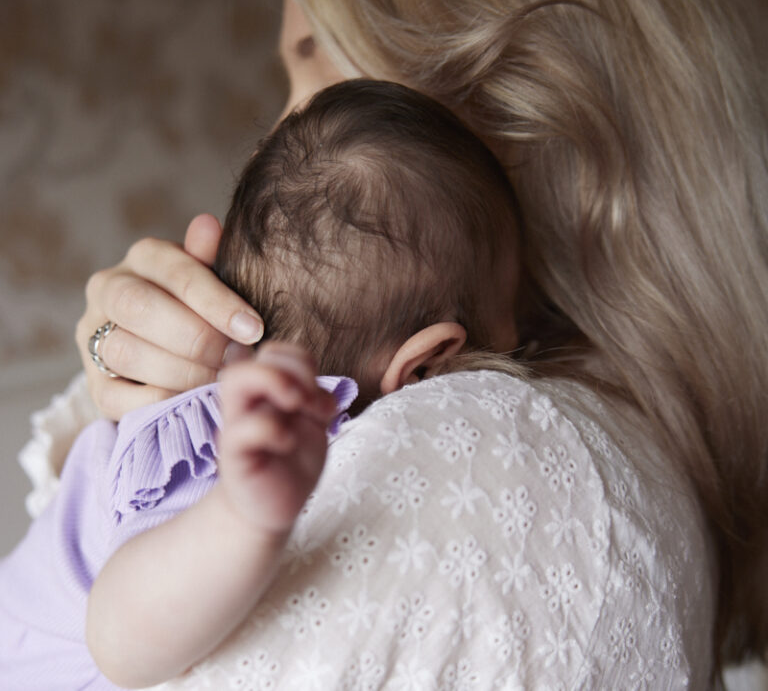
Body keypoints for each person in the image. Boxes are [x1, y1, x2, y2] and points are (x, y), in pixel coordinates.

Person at [19, 0, 768, 686]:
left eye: (318, 72)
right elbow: (110, 620)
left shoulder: (506, 448)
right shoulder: (232, 430)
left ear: (515, 101)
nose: (278, 135)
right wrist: (117, 373)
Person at [2, 79, 523, 689]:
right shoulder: (214, 433)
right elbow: (117, 637)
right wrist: (239, 516)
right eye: (513, 312)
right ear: (429, 363)